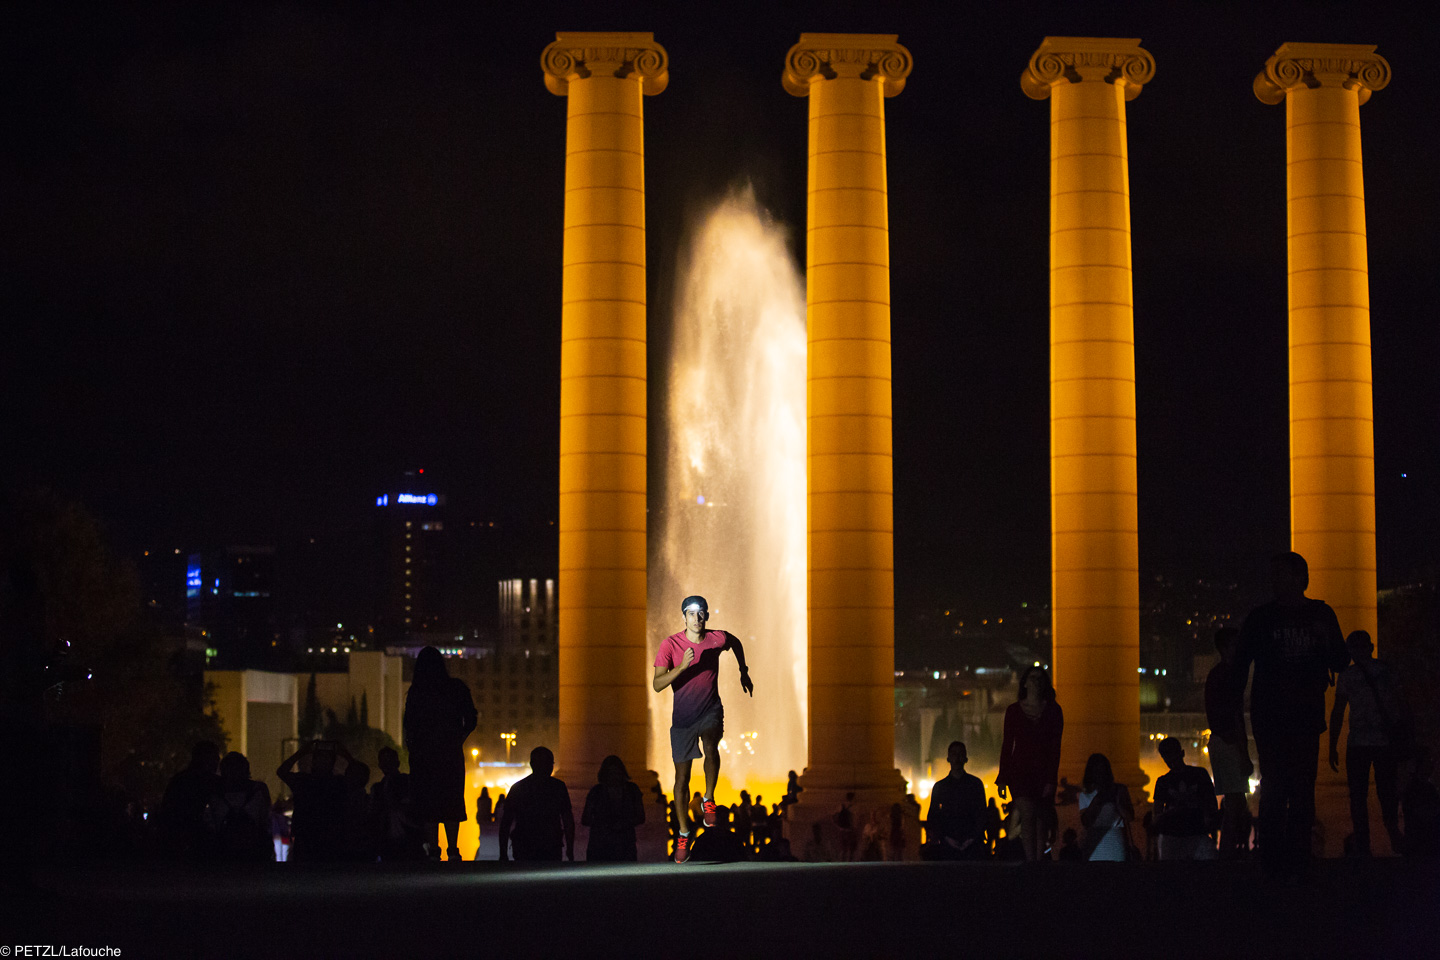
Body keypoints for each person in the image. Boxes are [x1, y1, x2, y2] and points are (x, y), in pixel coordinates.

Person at [1239, 551, 1348, 877]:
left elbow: (1340, 661)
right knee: (1281, 788)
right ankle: (1280, 860)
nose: (1273, 580)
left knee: (1295, 788)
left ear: (1299, 577)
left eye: (1279, 574)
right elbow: (1241, 666)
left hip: (1294, 716)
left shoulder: (1309, 616)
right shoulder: (1268, 617)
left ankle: (1287, 860)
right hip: (1280, 717)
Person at [652, 594, 753, 863]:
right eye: (692, 613)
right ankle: (684, 832)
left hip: (710, 710)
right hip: (683, 720)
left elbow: (735, 642)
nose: (697, 618)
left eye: (702, 613)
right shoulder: (670, 644)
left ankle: (709, 797)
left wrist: (744, 670)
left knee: (711, 744)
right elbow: (658, 684)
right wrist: (683, 666)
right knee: (681, 780)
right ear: (683, 616)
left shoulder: (716, 638)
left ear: (706, 616)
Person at [1329, 630, 1408, 856]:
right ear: (1371, 647)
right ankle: (1393, 832)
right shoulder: (1387, 671)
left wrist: (1333, 744)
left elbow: (1337, 712)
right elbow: (1400, 703)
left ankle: (1363, 842)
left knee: (1357, 794)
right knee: (1387, 789)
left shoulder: (1347, 676)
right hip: (1385, 742)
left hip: (1358, 743)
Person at [403, 646, 478, 861]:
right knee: (451, 800)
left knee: (428, 803)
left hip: (423, 755)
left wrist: (413, 747)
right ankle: (453, 850)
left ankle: (434, 850)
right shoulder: (457, 688)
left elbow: (409, 724)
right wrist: (459, 739)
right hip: (450, 754)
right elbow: (471, 718)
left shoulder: (417, 691)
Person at [996, 665, 1064, 860]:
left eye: (1040, 678)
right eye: (1032, 677)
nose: (1036, 681)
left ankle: (1038, 859)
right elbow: (1007, 746)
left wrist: (1052, 779)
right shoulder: (1013, 711)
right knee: (1026, 812)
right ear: (1025, 683)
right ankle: (1030, 859)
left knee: (1041, 816)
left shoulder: (1054, 711)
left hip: (1043, 772)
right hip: (1020, 771)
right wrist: (1002, 777)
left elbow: (1055, 748)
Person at [1205, 626, 1254, 858]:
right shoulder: (1229, 675)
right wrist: (1243, 753)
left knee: (1233, 804)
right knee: (1236, 805)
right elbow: (1235, 716)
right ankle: (1227, 855)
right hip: (1228, 743)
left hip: (1219, 742)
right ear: (1226, 648)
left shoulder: (1215, 674)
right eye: (1236, 645)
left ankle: (1225, 853)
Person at [278, 740, 351, 861]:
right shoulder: (337, 783)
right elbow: (359, 775)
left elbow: (282, 771)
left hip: (318, 836)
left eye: (325, 758)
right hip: (320, 836)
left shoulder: (304, 781)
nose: (322, 762)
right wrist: (346, 755)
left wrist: (301, 753)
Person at [498, 746, 574, 862]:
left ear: (531, 764)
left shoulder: (518, 788)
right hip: (551, 846)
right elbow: (567, 820)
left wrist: (503, 853)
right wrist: (570, 849)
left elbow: (506, 823)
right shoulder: (558, 787)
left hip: (524, 846)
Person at [1153, 738, 1218, 860]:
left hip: (1174, 834)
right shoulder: (1200, 774)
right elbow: (1210, 804)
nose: (1170, 759)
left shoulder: (1163, 781)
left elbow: (1157, 813)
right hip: (1196, 831)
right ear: (1182, 753)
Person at [203, 752, 273, 862]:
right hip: (253, 852)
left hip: (224, 852)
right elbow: (265, 821)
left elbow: (210, 824)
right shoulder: (259, 790)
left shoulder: (214, 793)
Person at [157, 740, 221, 859]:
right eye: (215, 758)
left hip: (177, 839)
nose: (217, 761)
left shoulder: (179, 780)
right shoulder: (209, 782)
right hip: (192, 840)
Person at [925, 741, 986, 860]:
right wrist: (973, 837)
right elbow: (982, 813)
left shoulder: (940, 786)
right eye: (954, 754)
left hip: (949, 842)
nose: (957, 758)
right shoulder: (976, 784)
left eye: (960, 754)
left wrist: (945, 837)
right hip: (969, 843)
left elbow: (933, 815)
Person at [581, 755, 645, 862]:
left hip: (622, 844)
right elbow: (585, 818)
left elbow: (641, 816)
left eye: (616, 772)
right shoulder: (597, 792)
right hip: (603, 845)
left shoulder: (631, 790)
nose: (614, 776)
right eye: (611, 773)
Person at [1078, 753, 1135, 861]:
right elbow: (1086, 822)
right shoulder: (1085, 794)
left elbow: (1130, 817)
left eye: (1102, 770)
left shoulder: (1119, 789)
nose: (1100, 775)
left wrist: (1118, 803)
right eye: (1096, 771)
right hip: (1094, 840)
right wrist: (1097, 800)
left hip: (1115, 839)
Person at [1401, 747, 1439, 860]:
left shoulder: (1427, 787)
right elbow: (1423, 814)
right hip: (1421, 847)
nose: (1432, 765)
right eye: (1429, 761)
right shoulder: (1415, 789)